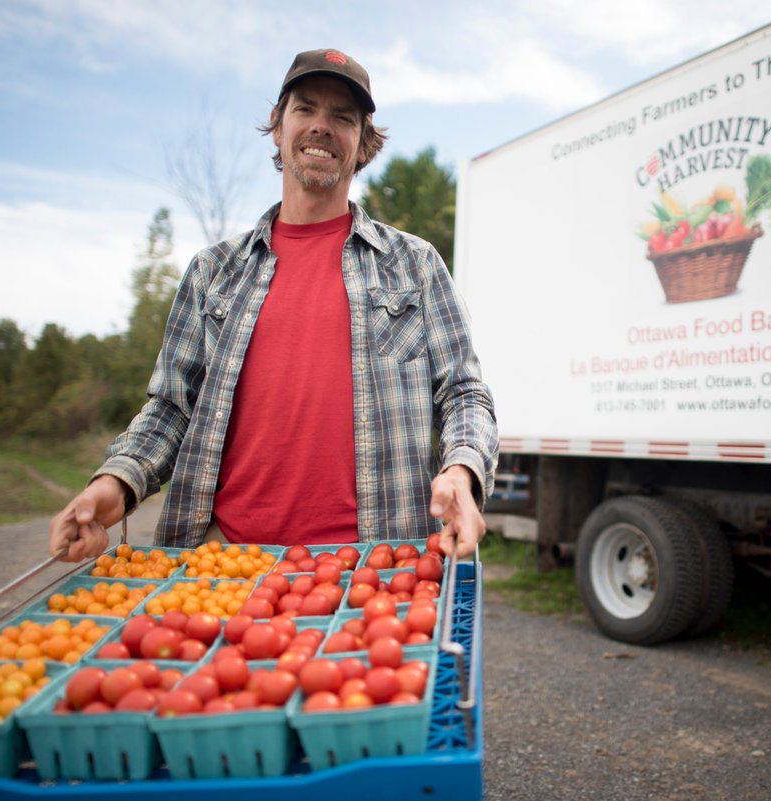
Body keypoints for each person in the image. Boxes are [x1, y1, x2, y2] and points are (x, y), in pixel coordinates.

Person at [48, 48, 498, 562]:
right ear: (278, 126)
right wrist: (114, 485)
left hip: (373, 568)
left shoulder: (414, 265)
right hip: (223, 563)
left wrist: (461, 470)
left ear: (363, 145)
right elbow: (170, 408)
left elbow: (465, 394)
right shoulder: (213, 272)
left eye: (343, 118)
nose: (321, 127)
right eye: (305, 109)